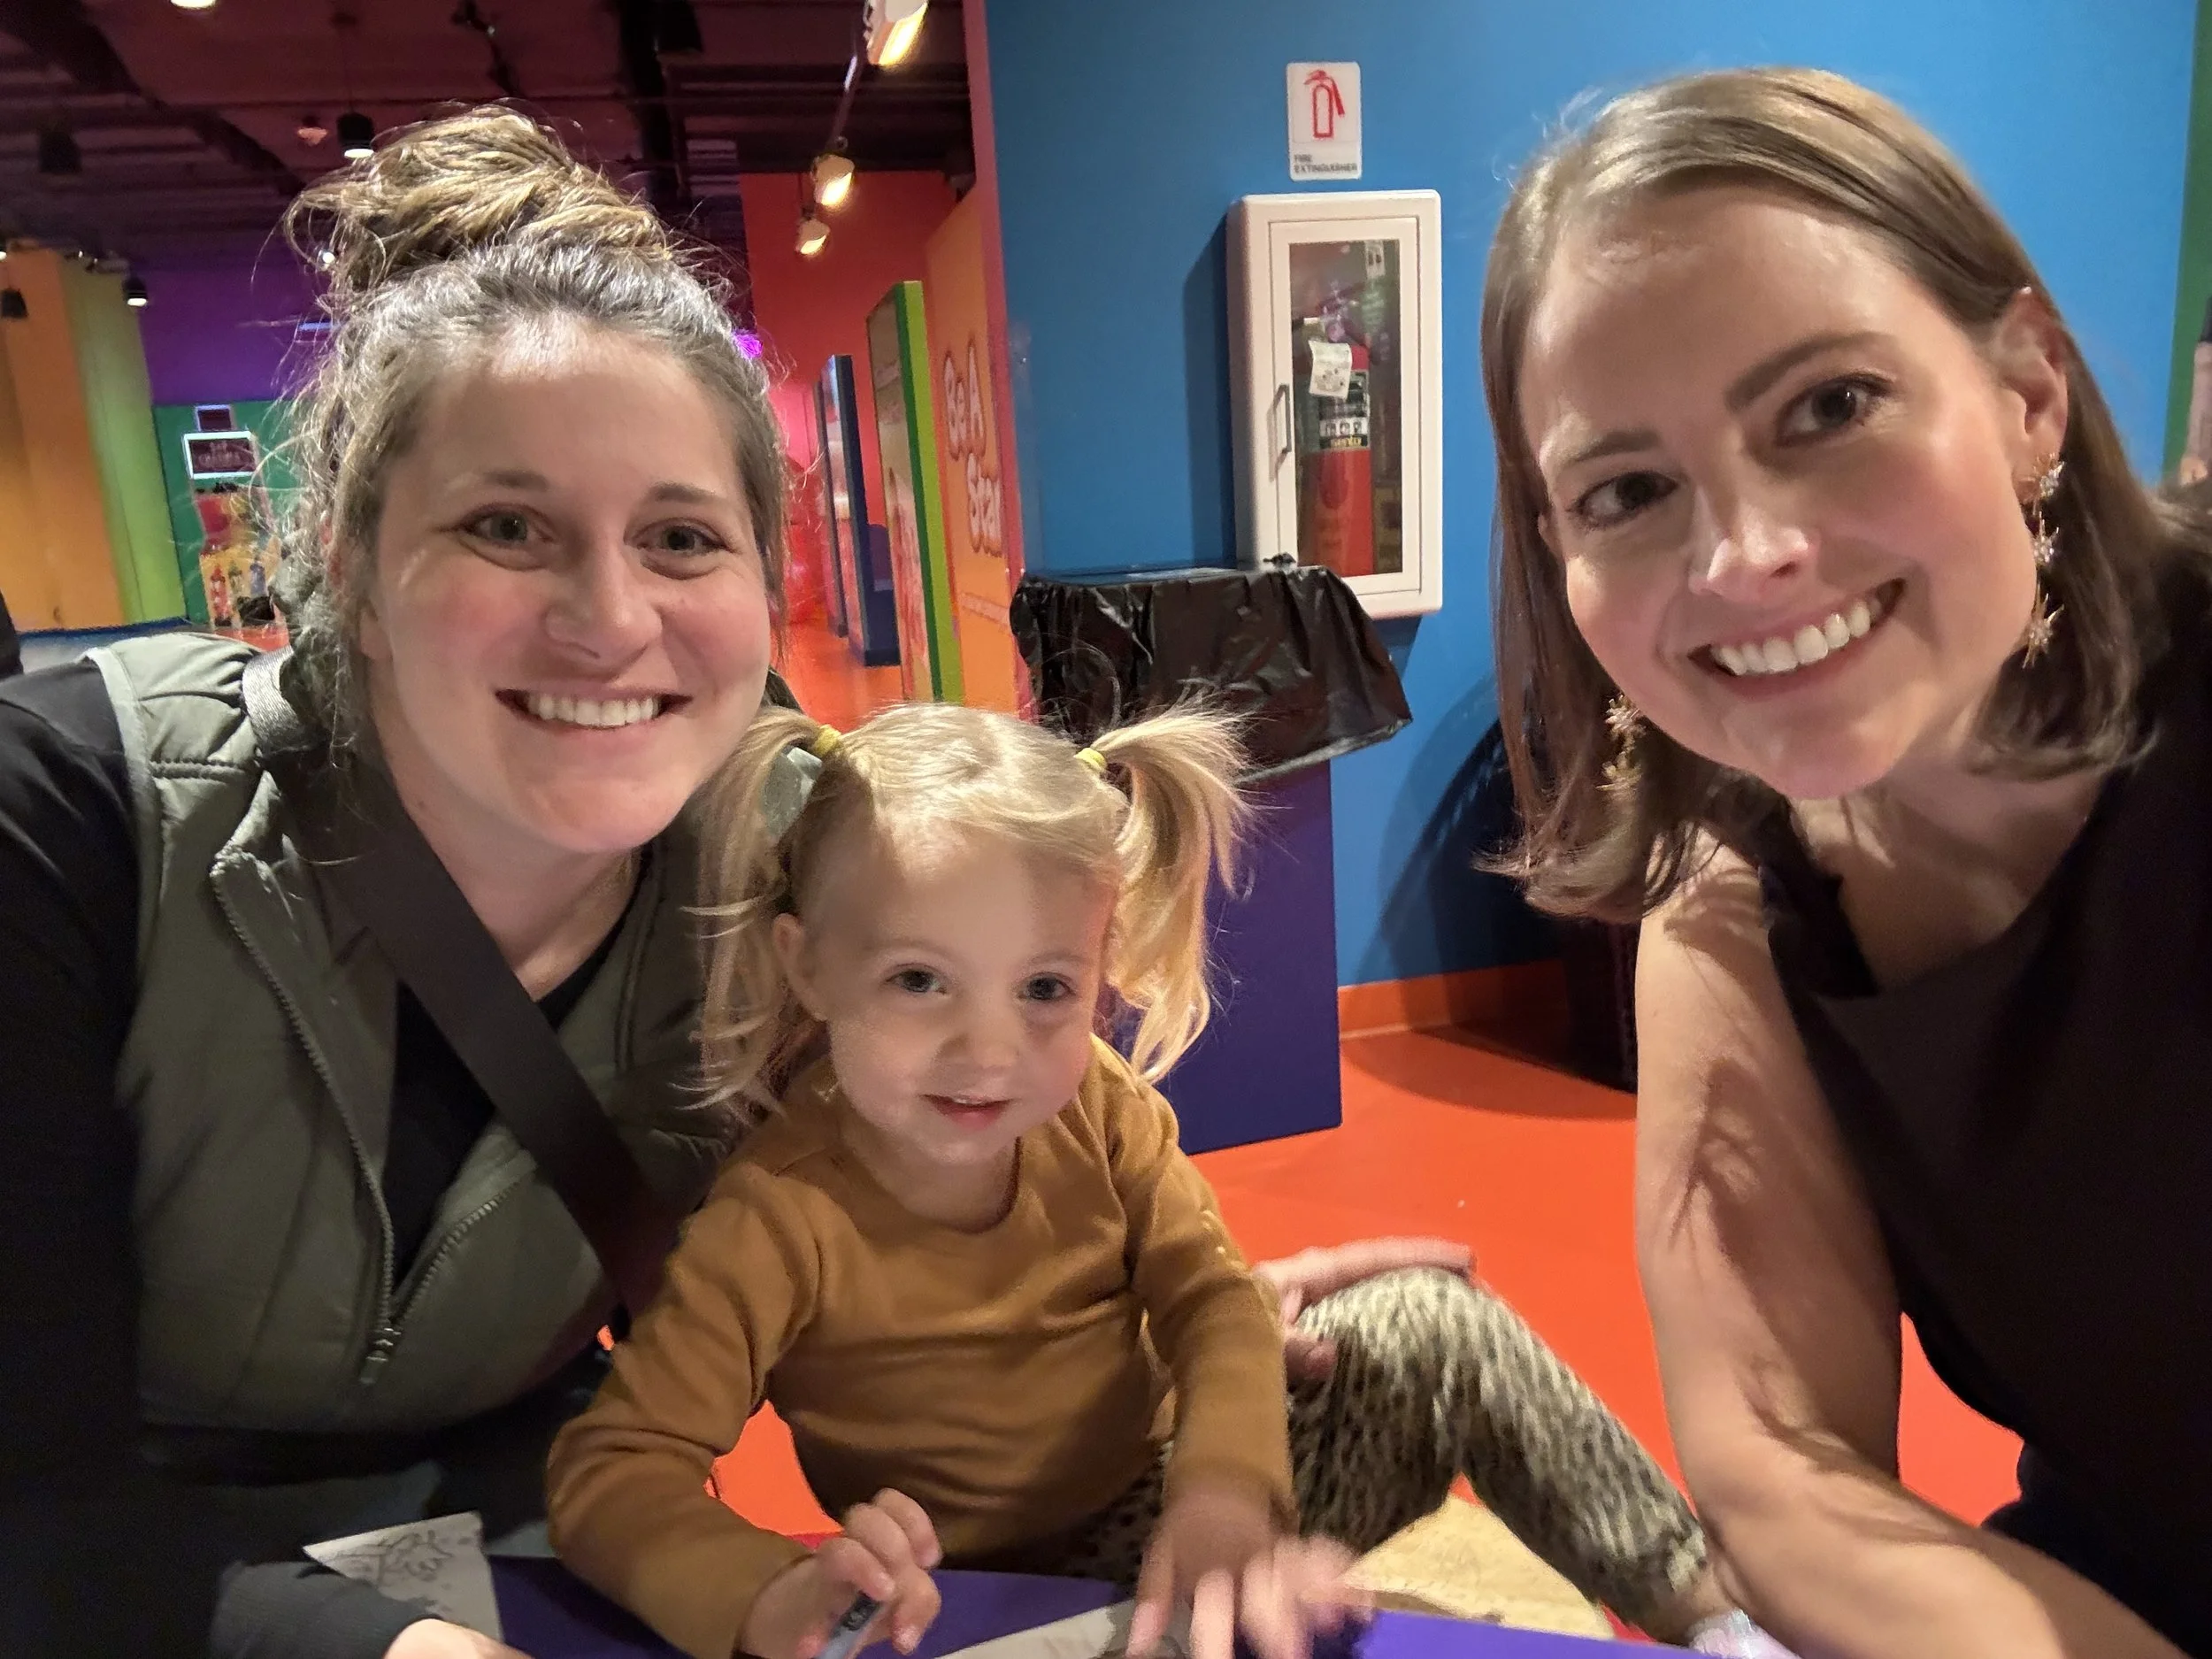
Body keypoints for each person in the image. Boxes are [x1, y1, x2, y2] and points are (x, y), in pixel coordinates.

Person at [0, 108, 803, 1659]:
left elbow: (932, 1266)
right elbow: (37, 1504)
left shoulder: (788, 863)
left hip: (526, 1551)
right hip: (116, 1580)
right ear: (353, 574)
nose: (609, 617)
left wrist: (1166, 1345)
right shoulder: (72, 824)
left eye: (684, 537)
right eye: (507, 526)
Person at [544, 700, 1788, 1659]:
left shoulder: (1096, 1098)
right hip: (977, 1600)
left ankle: (1714, 1613)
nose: (992, 1049)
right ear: (806, 968)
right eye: (920, 980)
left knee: (1432, 1319)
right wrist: (764, 1592)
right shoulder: (776, 1217)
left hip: (1172, 1509)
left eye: (1045, 987)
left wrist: (1225, 1492)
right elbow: (613, 1473)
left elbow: (1212, 1298)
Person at [1482, 65, 2212, 1659]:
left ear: (2029, 388)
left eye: (1828, 405)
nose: (1743, 557)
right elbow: (1782, 1466)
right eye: (1627, 491)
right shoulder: (1732, 914)